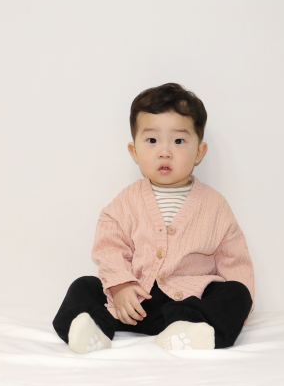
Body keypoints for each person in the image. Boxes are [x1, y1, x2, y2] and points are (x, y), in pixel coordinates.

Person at [52, 83, 255, 354]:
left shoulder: (215, 205)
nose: (164, 152)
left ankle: (191, 332)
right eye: (152, 141)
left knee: (237, 292)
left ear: (199, 152)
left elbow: (235, 261)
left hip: (189, 304)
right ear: (134, 151)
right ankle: (91, 329)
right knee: (84, 286)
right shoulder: (127, 201)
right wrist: (121, 285)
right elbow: (109, 247)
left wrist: (238, 306)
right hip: (133, 304)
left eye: (179, 141)